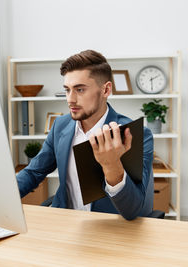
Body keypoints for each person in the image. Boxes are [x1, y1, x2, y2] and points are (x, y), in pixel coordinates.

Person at [16, 50, 154, 220]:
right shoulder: (60, 126)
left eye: (80, 90)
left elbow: (132, 209)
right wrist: (1, 198)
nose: (70, 99)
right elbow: (33, 172)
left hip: (108, 228)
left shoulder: (133, 134)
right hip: (66, 222)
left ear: (106, 90)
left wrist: (112, 166)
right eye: (67, 90)